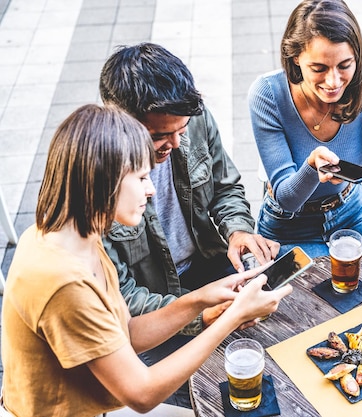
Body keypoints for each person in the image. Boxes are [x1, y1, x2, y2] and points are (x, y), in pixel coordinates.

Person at [0, 104, 291, 417]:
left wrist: (200, 300)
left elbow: (129, 333)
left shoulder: (75, 236)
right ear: (104, 180)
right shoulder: (61, 281)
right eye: (141, 177)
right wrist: (232, 319)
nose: (151, 189)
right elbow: (141, 394)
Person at [99, 43, 280, 407]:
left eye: (181, 130)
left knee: (277, 350)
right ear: (120, 125)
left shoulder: (189, 119)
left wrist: (238, 230)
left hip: (209, 270)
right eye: (160, 136)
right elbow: (125, 305)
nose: (177, 143)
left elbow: (225, 186)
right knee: (222, 393)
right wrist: (200, 316)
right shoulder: (96, 180)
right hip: (152, 314)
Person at [248, 0, 362, 258]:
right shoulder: (267, 94)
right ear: (295, 58)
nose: (334, 82)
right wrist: (312, 168)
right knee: (307, 297)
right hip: (289, 224)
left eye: (345, 65)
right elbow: (286, 198)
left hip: (351, 208)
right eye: (319, 68)